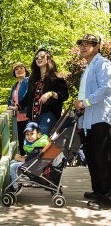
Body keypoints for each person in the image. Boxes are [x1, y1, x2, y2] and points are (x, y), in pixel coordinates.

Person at [73, 34, 111, 210]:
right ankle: (98, 191)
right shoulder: (88, 67)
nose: (83, 46)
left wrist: (85, 102)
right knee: (92, 156)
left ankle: (107, 198)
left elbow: (107, 87)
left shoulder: (102, 63)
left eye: (89, 44)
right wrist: (80, 104)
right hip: (88, 120)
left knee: (103, 158)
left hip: (101, 118)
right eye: (81, 43)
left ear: (97, 47)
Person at [10, 49, 69, 135]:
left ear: (48, 59)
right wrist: (17, 107)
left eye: (42, 56)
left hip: (48, 115)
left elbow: (64, 95)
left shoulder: (56, 77)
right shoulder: (33, 78)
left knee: (41, 143)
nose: (38, 58)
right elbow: (28, 96)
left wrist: (50, 94)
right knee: (29, 145)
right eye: (36, 57)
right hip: (32, 117)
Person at [9, 122, 50, 191]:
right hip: (32, 162)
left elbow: (48, 144)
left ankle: (15, 187)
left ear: (39, 134)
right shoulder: (36, 143)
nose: (29, 136)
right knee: (12, 162)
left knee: (12, 166)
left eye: (32, 134)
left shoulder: (40, 144)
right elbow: (32, 156)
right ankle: (15, 180)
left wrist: (20, 158)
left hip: (34, 165)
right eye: (27, 134)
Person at [7, 62, 30, 156]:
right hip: (19, 117)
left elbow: (27, 96)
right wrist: (9, 106)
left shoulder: (28, 81)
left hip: (28, 115)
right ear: (14, 73)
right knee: (21, 142)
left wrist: (18, 107)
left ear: (25, 70)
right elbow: (10, 99)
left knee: (29, 140)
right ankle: (23, 164)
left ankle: (32, 164)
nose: (19, 70)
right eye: (16, 69)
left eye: (21, 68)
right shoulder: (15, 85)